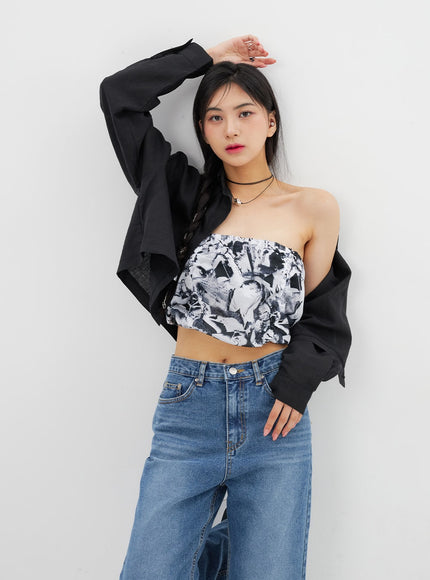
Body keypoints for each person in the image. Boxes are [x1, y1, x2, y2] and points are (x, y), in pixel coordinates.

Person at [99, 34, 352, 580]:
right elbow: (119, 96)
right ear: (202, 130)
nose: (231, 129)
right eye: (215, 118)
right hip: (188, 409)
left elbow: (322, 312)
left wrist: (296, 384)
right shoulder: (182, 193)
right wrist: (207, 59)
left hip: (273, 413)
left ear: (271, 121)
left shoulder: (312, 207)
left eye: (244, 113)